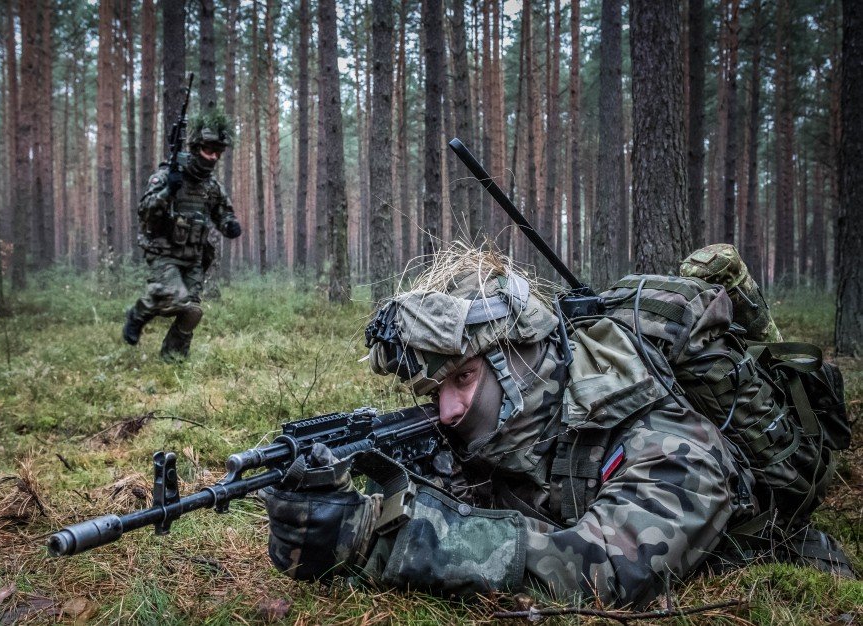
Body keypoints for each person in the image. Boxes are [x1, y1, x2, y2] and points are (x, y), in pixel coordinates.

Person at [263, 243, 853, 606]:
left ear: (518, 358)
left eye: (462, 379)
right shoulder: (519, 421)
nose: (446, 411)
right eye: (434, 389)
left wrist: (382, 539)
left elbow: (606, 570)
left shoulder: (657, 432)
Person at [123, 109, 242, 361]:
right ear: (196, 147)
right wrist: (168, 191)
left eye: (217, 153)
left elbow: (223, 213)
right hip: (163, 253)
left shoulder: (211, 187)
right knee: (175, 299)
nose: (213, 157)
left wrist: (230, 224)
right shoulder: (167, 176)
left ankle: (173, 358)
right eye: (208, 151)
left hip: (194, 258)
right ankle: (138, 314)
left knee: (192, 311)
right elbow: (145, 211)